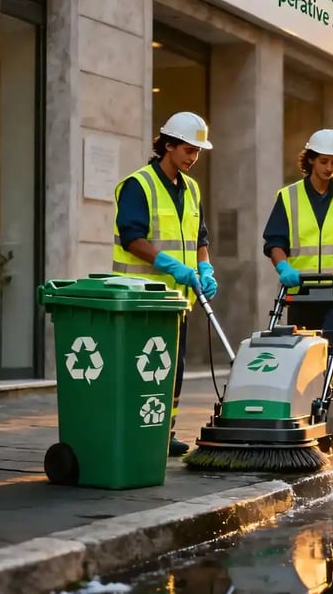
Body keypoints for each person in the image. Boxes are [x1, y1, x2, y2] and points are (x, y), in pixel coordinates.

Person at [112, 111, 218, 457]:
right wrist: (169, 264)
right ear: (168, 145)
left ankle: (164, 431)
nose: (193, 158)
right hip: (140, 298)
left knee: (172, 367)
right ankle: (132, 428)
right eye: (188, 150)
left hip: (178, 299)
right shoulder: (138, 185)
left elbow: (200, 237)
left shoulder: (192, 188)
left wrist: (205, 268)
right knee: (140, 366)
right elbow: (132, 238)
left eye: (198, 152)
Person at [262, 129, 333, 373]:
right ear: (311, 159)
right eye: (324, 161)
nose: (329, 167)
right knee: (302, 361)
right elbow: (274, 242)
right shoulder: (288, 197)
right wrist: (283, 268)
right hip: (300, 293)